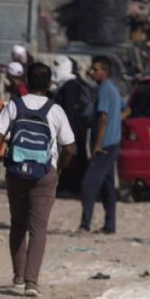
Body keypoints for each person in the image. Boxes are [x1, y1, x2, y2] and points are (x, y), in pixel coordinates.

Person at [0, 62, 75, 298]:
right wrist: (58, 170)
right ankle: (31, 282)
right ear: (49, 84)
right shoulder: (55, 111)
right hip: (44, 175)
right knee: (38, 229)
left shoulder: (13, 106)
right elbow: (69, 147)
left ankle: (18, 275)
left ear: (26, 81)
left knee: (17, 224)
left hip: (16, 173)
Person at [79, 55, 124, 235]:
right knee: (107, 187)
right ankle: (110, 225)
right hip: (113, 142)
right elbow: (125, 108)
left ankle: (85, 224)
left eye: (95, 69)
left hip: (104, 145)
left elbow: (103, 118)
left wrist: (97, 145)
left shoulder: (105, 89)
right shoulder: (113, 88)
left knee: (88, 184)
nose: (92, 72)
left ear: (104, 72)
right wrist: (117, 124)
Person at [52, 56, 94, 195]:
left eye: (58, 66)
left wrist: (64, 131)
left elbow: (69, 110)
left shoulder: (70, 86)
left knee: (72, 159)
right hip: (72, 129)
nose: (55, 70)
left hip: (72, 129)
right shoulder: (67, 84)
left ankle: (71, 187)